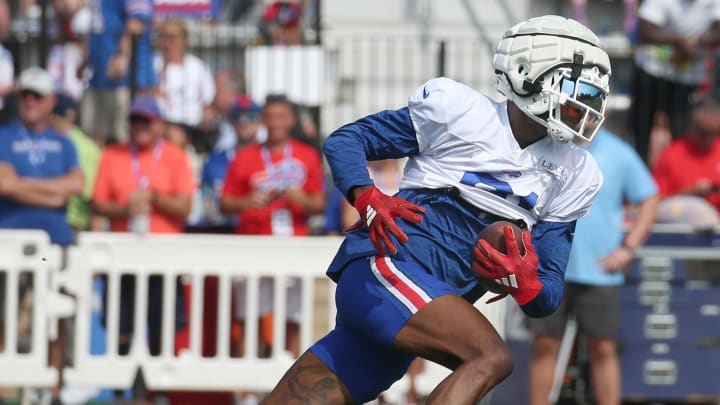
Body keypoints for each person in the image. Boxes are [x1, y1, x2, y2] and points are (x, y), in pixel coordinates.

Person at [262, 15, 611, 404]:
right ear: (526, 73)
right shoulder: (461, 112)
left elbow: (546, 296)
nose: (585, 101)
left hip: (424, 307)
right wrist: (368, 197)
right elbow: (347, 141)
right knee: (490, 357)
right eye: (574, 85)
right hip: (386, 270)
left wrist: (525, 282)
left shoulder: (576, 172)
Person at [527, 127, 659, 405]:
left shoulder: (620, 152)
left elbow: (649, 198)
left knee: (603, 348)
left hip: (600, 271)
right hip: (549, 268)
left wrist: (628, 248)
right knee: (544, 345)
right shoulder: (547, 144)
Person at [90, 95, 194, 402]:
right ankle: (121, 393)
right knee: (120, 328)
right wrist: (126, 207)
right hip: (124, 256)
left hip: (163, 257)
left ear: (159, 125)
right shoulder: (113, 154)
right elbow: (97, 203)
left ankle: (156, 394)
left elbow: (184, 207)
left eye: (145, 122)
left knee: (161, 328)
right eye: (134, 121)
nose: (138, 127)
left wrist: (154, 199)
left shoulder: (175, 156)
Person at [0, 67, 84, 405]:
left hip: (55, 242)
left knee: (57, 315)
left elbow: (76, 186)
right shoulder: (5, 136)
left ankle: (54, 387)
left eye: (37, 96)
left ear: (51, 101)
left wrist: (24, 185)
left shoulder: (63, 143)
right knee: (4, 313)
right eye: (26, 95)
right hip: (11, 243)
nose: (30, 101)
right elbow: (4, 183)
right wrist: (52, 192)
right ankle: (4, 383)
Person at [630, 0, 720, 163]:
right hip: (652, 71)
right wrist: (679, 42)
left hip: (688, 78)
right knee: (642, 131)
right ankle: (641, 175)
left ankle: (678, 174)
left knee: (683, 132)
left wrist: (694, 44)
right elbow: (645, 31)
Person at [82, 0, 156, 144]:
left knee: (124, 137)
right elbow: (97, 26)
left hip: (127, 80)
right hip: (98, 77)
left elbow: (137, 22)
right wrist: (85, 61)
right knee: (93, 137)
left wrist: (121, 55)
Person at [652, 98, 720, 218]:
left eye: (714, 133)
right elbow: (654, 203)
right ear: (691, 127)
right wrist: (690, 193)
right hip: (683, 229)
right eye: (703, 133)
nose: (708, 140)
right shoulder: (671, 155)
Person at [153, 19, 216, 149]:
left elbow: (208, 103)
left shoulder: (197, 66)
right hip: (165, 125)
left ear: (184, 42)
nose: (166, 43)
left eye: (171, 38)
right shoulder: (153, 65)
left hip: (194, 127)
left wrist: (205, 120)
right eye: (163, 37)